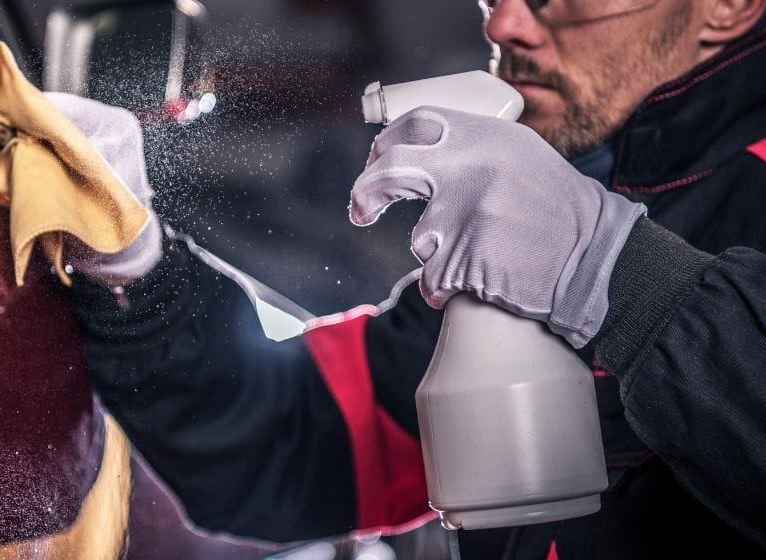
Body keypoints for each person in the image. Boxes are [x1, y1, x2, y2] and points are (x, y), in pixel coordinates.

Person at [53, 0, 766, 556]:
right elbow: (295, 438)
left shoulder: (592, 238)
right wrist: (132, 260)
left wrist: (619, 274)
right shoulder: (537, 242)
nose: (506, 24)